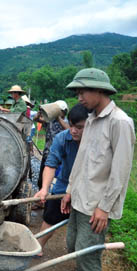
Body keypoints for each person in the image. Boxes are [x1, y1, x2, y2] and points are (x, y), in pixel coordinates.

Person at [58, 68, 135, 271]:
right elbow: (81, 158)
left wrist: (105, 207)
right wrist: (69, 189)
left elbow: (120, 171)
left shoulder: (120, 123)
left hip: (97, 206)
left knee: (88, 255)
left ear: (100, 90)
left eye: (83, 91)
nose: (79, 97)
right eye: (78, 92)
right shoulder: (90, 120)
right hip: (80, 197)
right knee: (74, 247)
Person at [33, 104, 89, 257]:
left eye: (79, 127)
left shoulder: (96, 142)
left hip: (88, 188)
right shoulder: (62, 138)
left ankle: (82, 261)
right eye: (71, 126)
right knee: (51, 215)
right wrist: (44, 188)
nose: (73, 130)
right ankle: (38, 246)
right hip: (64, 184)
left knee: (84, 225)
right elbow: (51, 164)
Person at [35, 100, 70, 207]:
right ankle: (42, 201)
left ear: (63, 112)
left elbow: (68, 129)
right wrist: (40, 112)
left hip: (60, 157)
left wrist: (58, 118)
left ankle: (54, 201)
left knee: (56, 180)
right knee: (42, 180)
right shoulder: (49, 121)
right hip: (47, 154)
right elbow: (36, 119)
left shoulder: (67, 122)